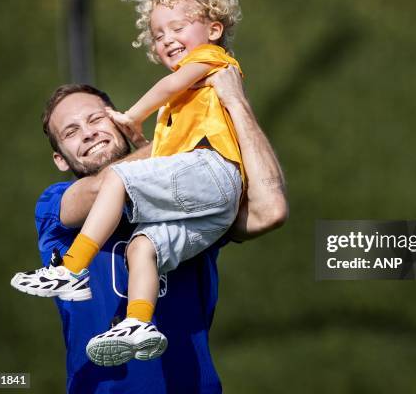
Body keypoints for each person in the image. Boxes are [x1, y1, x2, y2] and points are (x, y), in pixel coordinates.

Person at [12, 0, 251, 366]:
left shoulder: (209, 60)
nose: (167, 38)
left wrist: (133, 115)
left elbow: (168, 87)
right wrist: (146, 145)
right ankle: (138, 322)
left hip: (211, 173)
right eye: (159, 34)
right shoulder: (53, 204)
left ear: (214, 30)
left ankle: (72, 267)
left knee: (118, 178)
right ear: (59, 158)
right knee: (143, 247)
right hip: (210, 196)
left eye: (178, 26)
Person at [22, 67, 287, 393]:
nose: (88, 133)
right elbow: (105, 185)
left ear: (119, 120)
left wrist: (236, 104)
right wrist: (182, 140)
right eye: (71, 132)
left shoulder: (188, 195)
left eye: (95, 119)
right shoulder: (54, 206)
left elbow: (270, 210)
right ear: (60, 159)